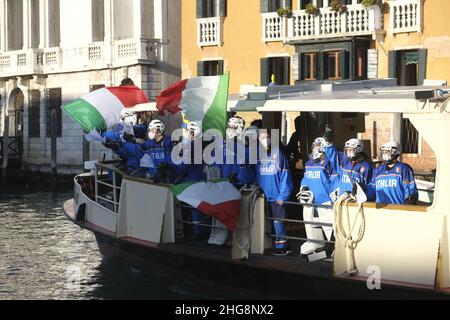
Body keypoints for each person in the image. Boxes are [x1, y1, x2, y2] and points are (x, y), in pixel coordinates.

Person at [298, 137, 338, 256]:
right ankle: (317, 248)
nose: (315, 148)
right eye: (314, 145)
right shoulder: (309, 162)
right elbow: (306, 178)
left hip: (325, 201)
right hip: (311, 202)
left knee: (330, 228)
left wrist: (334, 197)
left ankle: (335, 249)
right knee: (311, 226)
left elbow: (334, 181)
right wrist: (304, 187)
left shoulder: (328, 162)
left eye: (318, 145)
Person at [256, 129, 293, 256]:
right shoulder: (258, 154)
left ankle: (283, 247)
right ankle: (270, 246)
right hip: (262, 197)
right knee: (266, 223)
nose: (265, 139)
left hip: (277, 197)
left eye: (267, 137)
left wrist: (283, 195)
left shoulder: (279, 154)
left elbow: (285, 176)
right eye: (262, 137)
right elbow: (257, 175)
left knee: (278, 223)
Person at [323, 125, 374, 201]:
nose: (348, 152)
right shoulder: (344, 161)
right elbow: (331, 153)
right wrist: (327, 140)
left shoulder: (366, 166)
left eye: (351, 150)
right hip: (342, 201)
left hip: (357, 204)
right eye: (347, 150)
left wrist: (365, 190)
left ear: (358, 149)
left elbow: (372, 186)